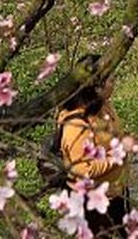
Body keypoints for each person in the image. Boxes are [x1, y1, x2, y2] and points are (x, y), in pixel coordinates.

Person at [56, 62, 131, 236]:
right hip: (90, 201)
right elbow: (83, 169)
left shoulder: (103, 107)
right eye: (111, 80)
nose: (114, 83)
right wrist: (116, 157)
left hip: (114, 193)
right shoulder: (76, 123)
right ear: (95, 87)